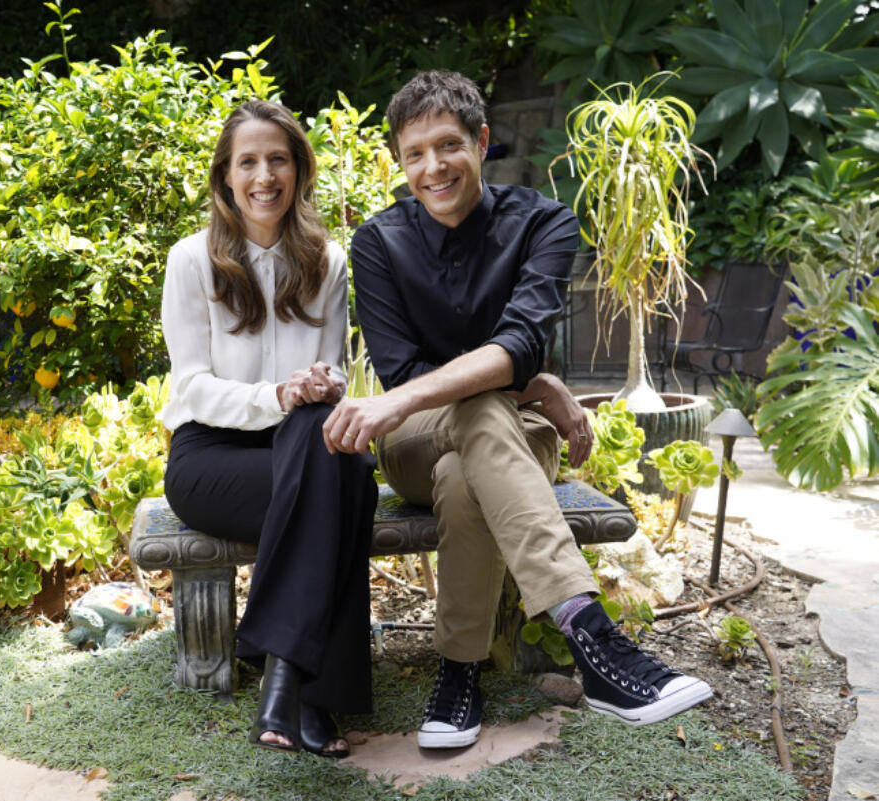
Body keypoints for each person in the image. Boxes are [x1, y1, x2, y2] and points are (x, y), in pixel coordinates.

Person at [323, 70, 712, 749]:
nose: (432, 167)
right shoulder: (379, 243)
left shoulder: (543, 222)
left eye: (448, 146)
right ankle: (592, 639)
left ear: (480, 140)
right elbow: (408, 372)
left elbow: (519, 342)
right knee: (472, 422)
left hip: (501, 437)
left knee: (465, 469)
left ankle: (458, 673)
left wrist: (516, 379)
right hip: (414, 440)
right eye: (414, 153)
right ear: (400, 161)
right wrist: (537, 386)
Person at [160, 99, 378, 758]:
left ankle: (286, 680)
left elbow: (333, 372)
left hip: (301, 448)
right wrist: (279, 394)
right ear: (225, 176)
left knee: (338, 463)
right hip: (212, 460)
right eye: (248, 162)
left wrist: (321, 387)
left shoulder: (327, 260)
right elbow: (192, 386)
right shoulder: (191, 261)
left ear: (298, 170)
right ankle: (310, 687)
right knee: (345, 483)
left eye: (278, 159)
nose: (264, 176)